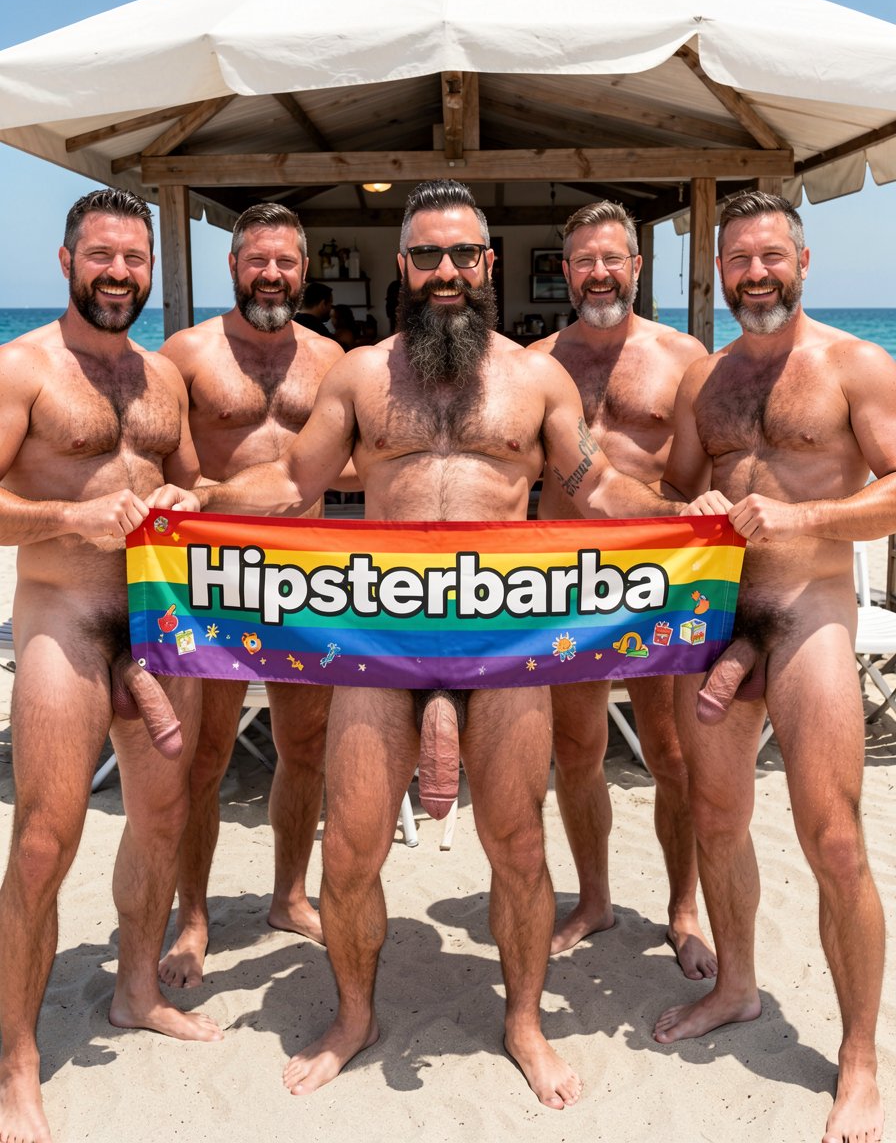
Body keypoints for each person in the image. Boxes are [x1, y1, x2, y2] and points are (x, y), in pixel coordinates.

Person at [151, 179, 722, 1110]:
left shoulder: (533, 379)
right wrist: (201, 501)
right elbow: (293, 483)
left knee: (516, 844)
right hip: (379, 635)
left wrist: (684, 518)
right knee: (354, 851)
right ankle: (353, 1015)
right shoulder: (362, 374)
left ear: (489, 264)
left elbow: (595, 486)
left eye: (463, 255)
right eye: (427, 256)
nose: (447, 271)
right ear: (405, 268)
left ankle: (525, 1022)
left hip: (506, 637)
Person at [653, 190, 888, 1143]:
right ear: (717, 273)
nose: (755, 274)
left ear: (801, 261)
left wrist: (801, 521)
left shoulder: (853, 363)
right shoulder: (703, 383)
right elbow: (672, 488)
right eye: (737, 260)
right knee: (715, 819)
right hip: (715, 621)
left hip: (808, 613)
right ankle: (740, 986)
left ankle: (861, 1058)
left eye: (769, 257)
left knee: (833, 842)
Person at [0, 188, 222, 1143]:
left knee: (163, 819)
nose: (121, 274)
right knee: (46, 841)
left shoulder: (163, 379)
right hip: (65, 621)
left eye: (135, 259)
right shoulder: (21, 369)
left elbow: (187, 483)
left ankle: (136, 990)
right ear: (65, 261)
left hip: (160, 630)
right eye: (102, 256)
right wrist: (70, 520)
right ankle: (15, 1059)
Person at [157, 203, 345, 988]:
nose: (273, 275)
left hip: (307, 576)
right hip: (212, 579)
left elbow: (354, 461)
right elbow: (166, 475)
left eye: (287, 262)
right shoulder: (187, 354)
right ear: (234, 267)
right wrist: (240, 497)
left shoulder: (334, 357)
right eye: (258, 260)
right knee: (204, 756)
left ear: (305, 271)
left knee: (304, 749)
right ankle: (193, 916)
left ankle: (289, 894)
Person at [532, 201, 716, 978]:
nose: (599, 272)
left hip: (662, 577)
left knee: (673, 756)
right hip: (564, 579)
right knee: (577, 752)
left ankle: (682, 907)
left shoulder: (684, 356)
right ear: (565, 270)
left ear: (637, 268)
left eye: (614, 258)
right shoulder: (536, 361)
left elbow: (706, 470)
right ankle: (595, 897)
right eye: (583, 260)